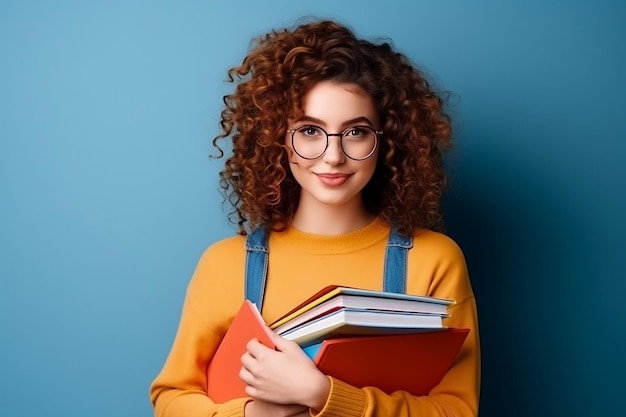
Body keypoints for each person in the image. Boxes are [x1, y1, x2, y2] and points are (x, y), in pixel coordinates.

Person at [150, 19, 480, 417]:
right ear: (276, 138)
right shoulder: (226, 264)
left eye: (356, 132)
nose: (333, 156)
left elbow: (457, 410)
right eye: (309, 130)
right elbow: (171, 398)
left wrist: (325, 395)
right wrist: (256, 414)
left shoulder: (433, 260)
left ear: (387, 140)